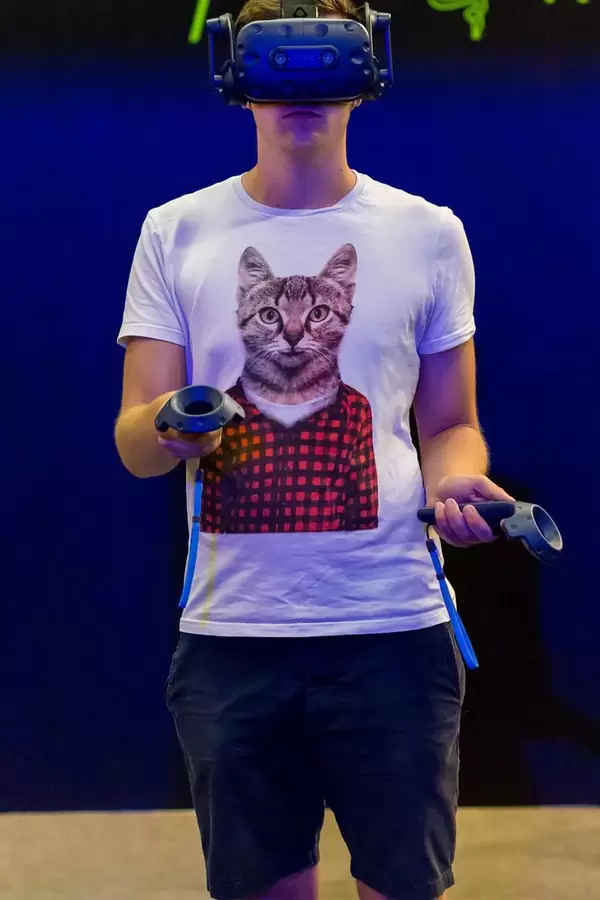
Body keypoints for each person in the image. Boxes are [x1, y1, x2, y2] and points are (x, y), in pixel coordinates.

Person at [114, 1, 513, 897]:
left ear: (365, 71)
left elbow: (449, 422)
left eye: (322, 56)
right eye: (278, 56)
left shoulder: (427, 232)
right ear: (237, 72)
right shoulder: (175, 232)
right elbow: (138, 442)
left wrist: (459, 482)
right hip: (234, 637)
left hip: (393, 631)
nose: (301, 83)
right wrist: (174, 423)